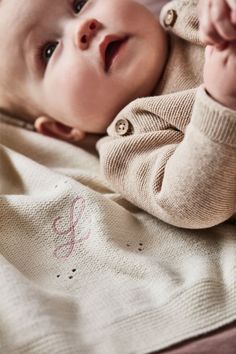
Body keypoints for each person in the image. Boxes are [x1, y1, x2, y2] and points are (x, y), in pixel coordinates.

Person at [0, 0, 235, 228]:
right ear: (61, 128)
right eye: (49, 51)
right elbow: (190, 205)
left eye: (79, 4)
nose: (83, 27)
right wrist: (221, 102)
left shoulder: (194, 12)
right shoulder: (127, 151)